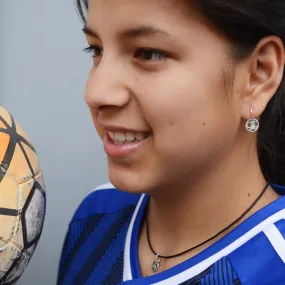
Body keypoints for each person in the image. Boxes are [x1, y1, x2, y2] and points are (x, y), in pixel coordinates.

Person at [57, 1, 285, 284]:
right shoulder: (94, 219)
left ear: (258, 75)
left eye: (148, 53)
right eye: (97, 50)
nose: (96, 92)